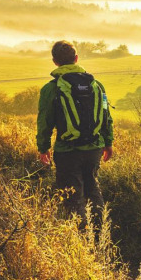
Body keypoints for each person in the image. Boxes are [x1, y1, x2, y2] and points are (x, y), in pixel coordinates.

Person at [37, 40, 114, 229]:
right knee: (93, 188)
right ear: (76, 58)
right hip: (94, 147)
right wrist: (108, 142)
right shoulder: (97, 85)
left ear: (55, 62)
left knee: (72, 196)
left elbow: (45, 121)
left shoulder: (51, 88)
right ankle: (100, 232)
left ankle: (81, 239)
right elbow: (106, 115)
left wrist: (43, 147)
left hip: (67, 150)